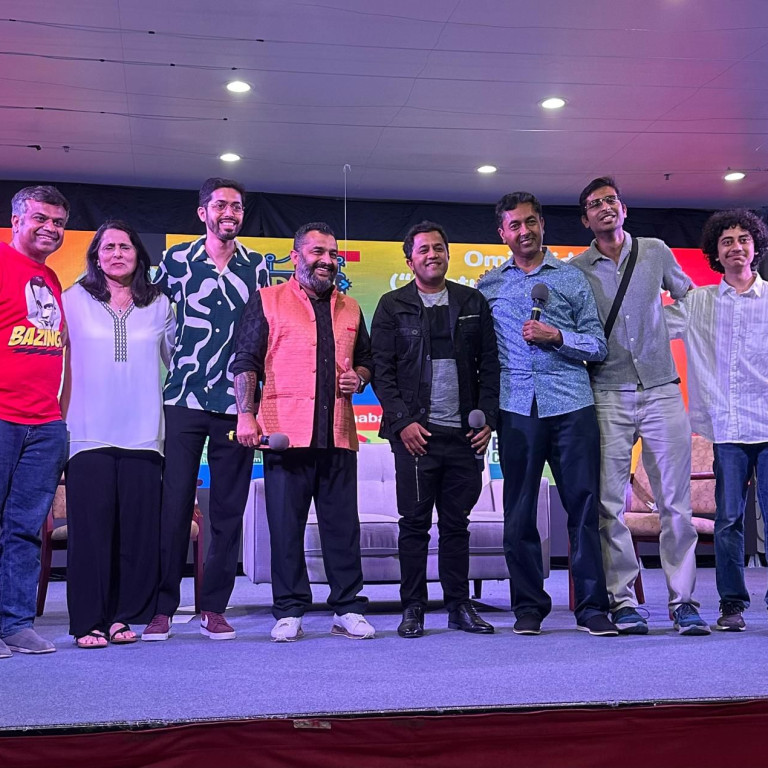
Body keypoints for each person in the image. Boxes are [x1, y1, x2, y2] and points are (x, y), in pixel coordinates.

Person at [571, 176, 710, 636]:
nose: (605, 207)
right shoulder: (578, 269)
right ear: (586, 219)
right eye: (595, 204)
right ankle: (624, 601)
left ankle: (683, 602)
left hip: (662, 388)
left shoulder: (655, 251)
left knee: (675, 503)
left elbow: (690, 297)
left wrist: (665, 328)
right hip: (607, 392)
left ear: (624, 209)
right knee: (609, 505)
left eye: (611, 200)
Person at [478, 192, 617, 637]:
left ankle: (591, 607)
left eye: (531, 222)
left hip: (571, 403)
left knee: (583, 506)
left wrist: (557, 335)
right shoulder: (488, 286)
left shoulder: (572, 278)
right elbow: (481, 355)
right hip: (516, 407)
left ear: (543, 225)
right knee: (518, 511)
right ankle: (528, 606)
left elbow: (598, 345)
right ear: (502, 234)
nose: (525, 231)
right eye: (515, 225)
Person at [232, 222, 375, 643]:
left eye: (332, 254)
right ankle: (290, 609)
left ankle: (347, 608)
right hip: (285, 435)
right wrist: (246, 414)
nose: (326, 260)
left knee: (342, 528)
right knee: (286, 527)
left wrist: (359, 378)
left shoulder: (351, 307)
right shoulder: (266, 300)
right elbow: (245, 361)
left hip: (338, 435)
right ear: (296, 257)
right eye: (317, 252)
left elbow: (367, 360)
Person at [143, 177, 269, 642]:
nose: (229, 213)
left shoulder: (258, 266)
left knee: (228, 510)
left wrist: (255, 403)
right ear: (203, 213)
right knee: (174, 505)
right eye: (220, 206)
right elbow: (150, 319)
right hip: (182, 399)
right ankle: (162, 609)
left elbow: (264, 334)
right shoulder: (176, 260)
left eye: (236, 206)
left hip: (236, 405)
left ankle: (213, 607)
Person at [370, 221, 500, 638]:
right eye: (423, 249)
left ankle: (459, 606)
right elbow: (382, 372)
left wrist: (488, 418)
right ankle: (413, 608)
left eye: (439, 248)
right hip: (415, 436)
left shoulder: (472, 301)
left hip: (464, 435)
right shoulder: (392, 305)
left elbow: (491, 367)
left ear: (448, 254)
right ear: (410, 260)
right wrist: (403, 422)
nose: (432, 255)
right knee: (413, 524)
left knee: (457, 524)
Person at [61, 221, 175, 648]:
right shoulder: (72, 299)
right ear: (95, 256)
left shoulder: (159, 303)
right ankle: (88, 621)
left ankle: (123, 616)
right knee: (91, 532)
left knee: (136, 532)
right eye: (107, 247)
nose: (116, 254)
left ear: (138, 254)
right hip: (87, 431)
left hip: (144, 432)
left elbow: (178, 363)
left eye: (125, 247)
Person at [666, 209, 768, 631]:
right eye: (727, 241)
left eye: (743, 239)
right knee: (728, 520)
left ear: (756, 247)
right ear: (715, 252)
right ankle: (732, 604)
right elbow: (653, 327)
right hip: (727, 429)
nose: (736, 247)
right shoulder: (698, 302)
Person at [0, 185, 70, 657]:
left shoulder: (50, 279)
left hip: (44, 424)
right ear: (17, 220)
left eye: (58, 222)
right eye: (41, 218)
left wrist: (58, 417)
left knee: (25, 528)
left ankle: (16, 624)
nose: (50, 228)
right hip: (2, 416)